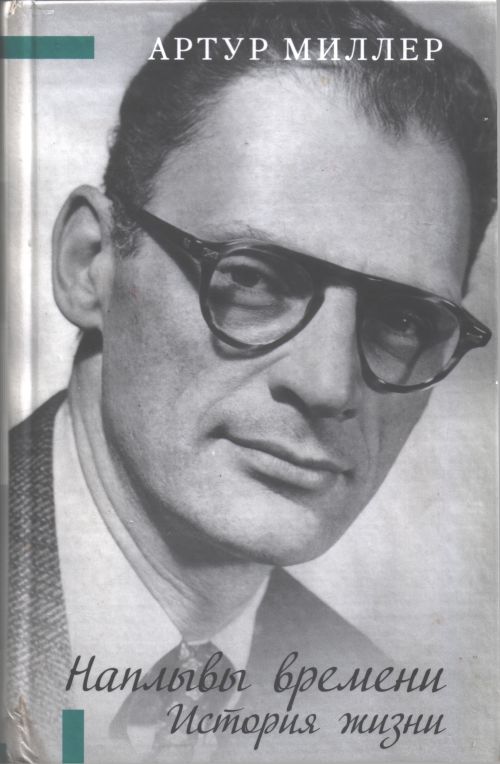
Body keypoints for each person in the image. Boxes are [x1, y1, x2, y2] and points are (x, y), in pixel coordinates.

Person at [7, 1, 496, 762]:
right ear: (90, 265)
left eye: (403, 320)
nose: (328, 385)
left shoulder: (383, 728)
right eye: (254, 279)